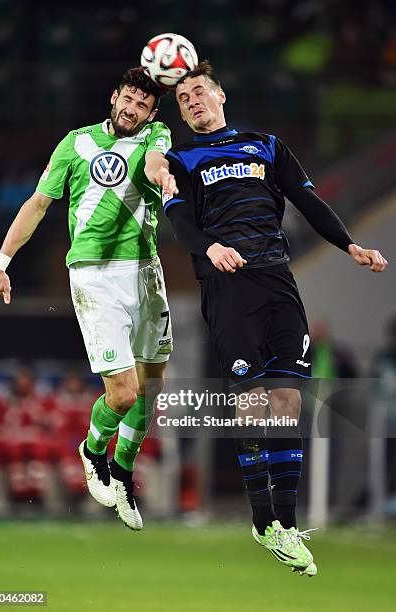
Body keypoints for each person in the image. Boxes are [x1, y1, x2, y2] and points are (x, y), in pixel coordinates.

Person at [163, 60, 388, 575]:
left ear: (221, 97)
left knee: (287, 396)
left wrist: (350, 245)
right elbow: (180, 222)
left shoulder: (265, 145)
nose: (193, 101)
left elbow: (307, 200)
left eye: (200, 92)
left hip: (276, 278)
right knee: (251, 398)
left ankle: (284, 524)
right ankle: (261, 517)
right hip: (226, 284)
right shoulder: (178, 159)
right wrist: (212, 247)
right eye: (184, 99)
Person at [0, 67, 178, 531]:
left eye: (143, 105)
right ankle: (93, 451)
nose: (133, 109)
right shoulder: (76, 143)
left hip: (147, 271)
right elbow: (37, 204)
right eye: (128, 99)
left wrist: (160, 169)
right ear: (114, 97)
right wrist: (0, 260)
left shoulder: (157, 133)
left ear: (152, 112)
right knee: (123, 392)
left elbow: (156, 161)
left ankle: (124, 474)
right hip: (95, 275)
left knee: (150, 389)